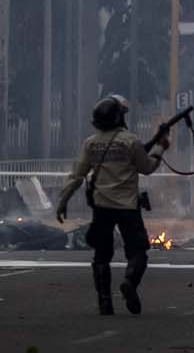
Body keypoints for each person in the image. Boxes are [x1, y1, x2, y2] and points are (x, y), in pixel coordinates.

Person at [55, 95, 170, 315]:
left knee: (101, 255)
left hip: (102, 207)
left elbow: (76, 176)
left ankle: (105, 302)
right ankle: (129, 282)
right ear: (118, 117)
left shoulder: (90, 143)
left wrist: (63, 202)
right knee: (138, 253)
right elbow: (147, 167)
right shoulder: (130, 141)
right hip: (128, 207)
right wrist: (160, 147)